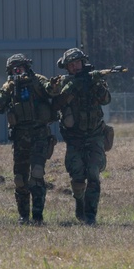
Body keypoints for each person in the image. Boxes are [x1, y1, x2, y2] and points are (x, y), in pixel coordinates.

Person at [0, 53, 57, 225]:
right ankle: (23, 215)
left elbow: (52, 90)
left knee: (36, 173)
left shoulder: (38, 80)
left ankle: (37, 215)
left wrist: (35, 82)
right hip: (20, 138)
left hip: (39, 135)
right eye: (14, 68)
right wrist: (8, 88)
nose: (18, 71)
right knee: (20, 178)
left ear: (27, 67)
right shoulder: (10, 86)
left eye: (20, 67)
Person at [48, 47, 112, 225]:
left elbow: (106, 99)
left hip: (94, 135)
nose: (76, 67)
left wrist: (97, 84)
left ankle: (90, 216)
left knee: (93, 174)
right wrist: (71, 88)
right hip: (74, 138)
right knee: (77, 176)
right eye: (71, 65)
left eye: (78, 63)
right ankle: (80, 203)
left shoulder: (92, 79)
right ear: (66, 68)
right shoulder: (64, 83)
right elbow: (55, 104)